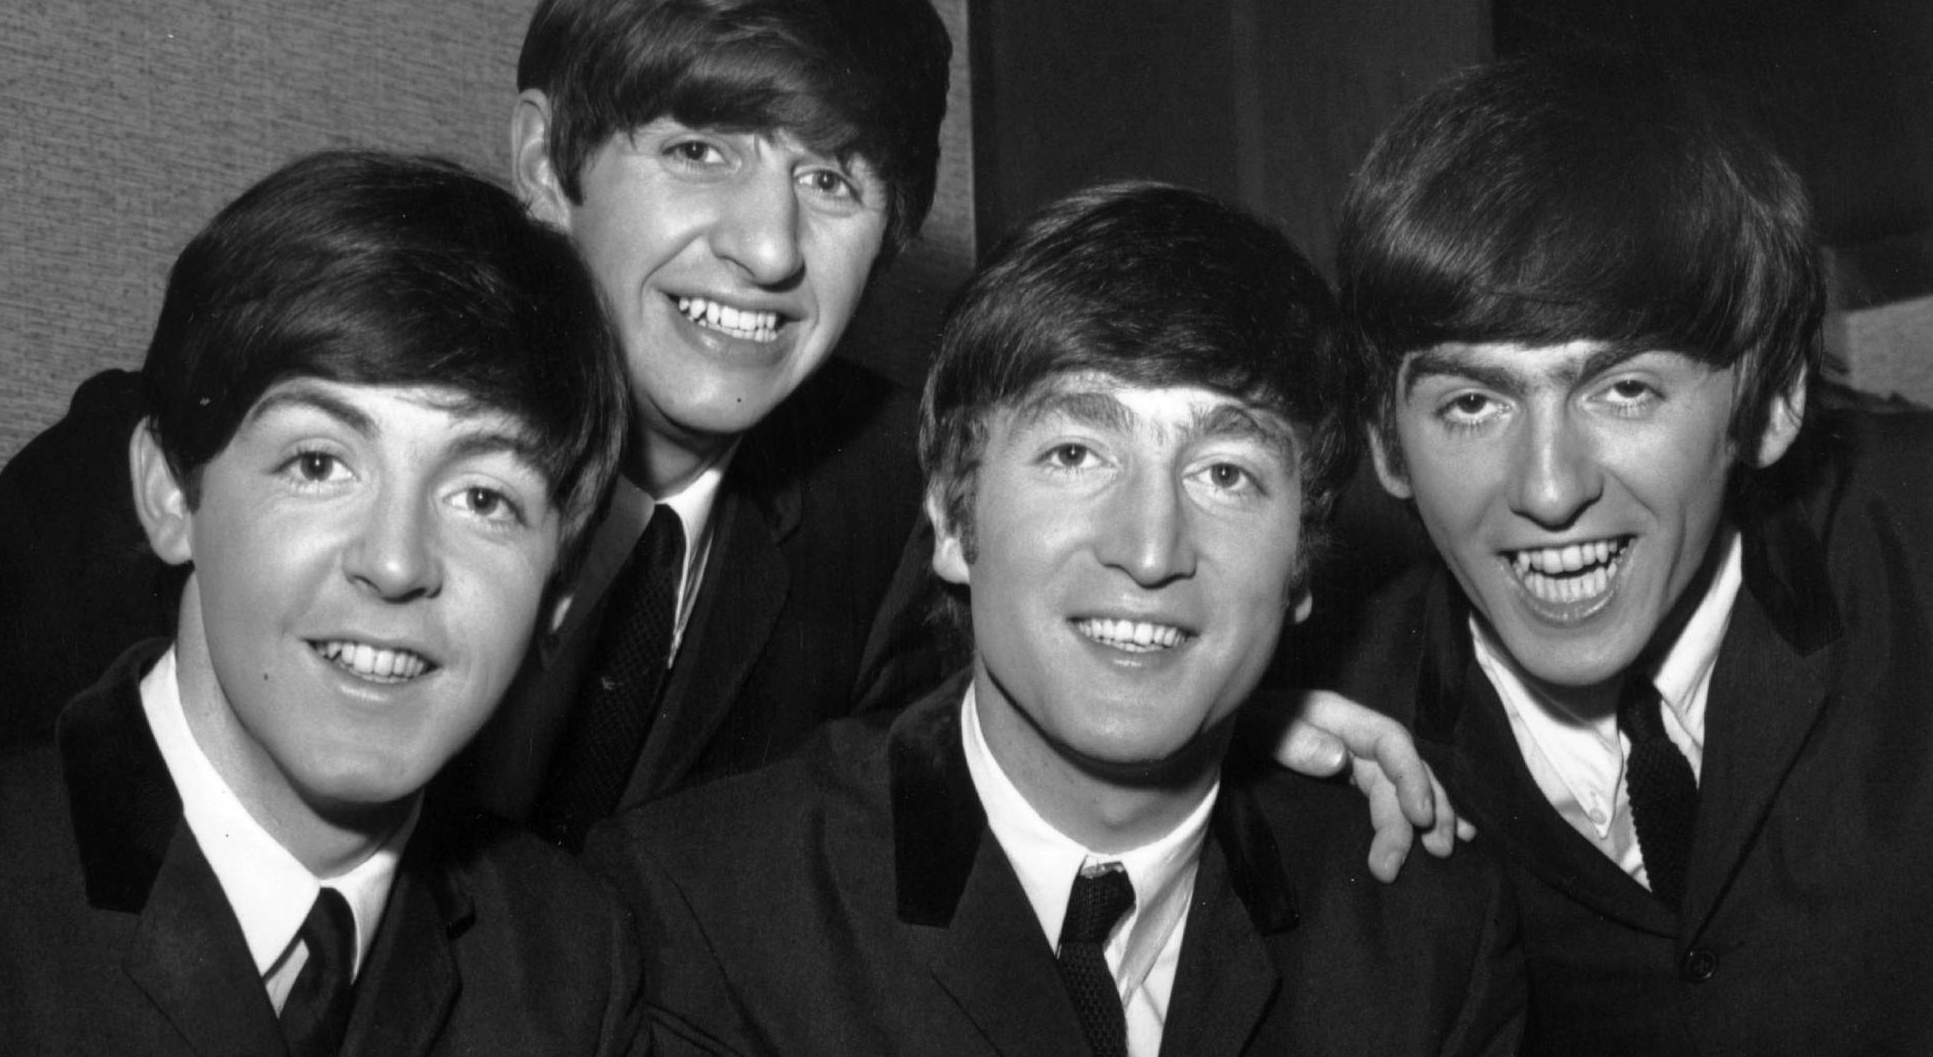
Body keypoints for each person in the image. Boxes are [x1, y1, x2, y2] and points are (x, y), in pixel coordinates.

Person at [0, 0, 1455, 870]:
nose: (770, 248)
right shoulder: (207, 463)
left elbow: (1019, 698)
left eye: (837, 180)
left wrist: (1235, 716)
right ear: (546, 158)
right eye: (702, 150)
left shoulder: (883, 496)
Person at [594, 183, 1526, 1056]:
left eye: (1227, 474)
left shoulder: (1426, 940)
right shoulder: (702, 914)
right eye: (1077, 452)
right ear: (956, 525)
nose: (1151, 549)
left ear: (1302, 566)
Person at [0, 151, 644, 1054]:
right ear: (169, 496)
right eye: (318, 465)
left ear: (559, 594)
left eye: (483, 499)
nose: (395, 563)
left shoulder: (570, 967)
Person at [1333, 52, 1933, 1054]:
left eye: (1623, 391)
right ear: (1387, 444)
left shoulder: (1911, 545)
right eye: (1470, 403)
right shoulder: (1315, 738)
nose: (1548, 488)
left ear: (1773, 399)